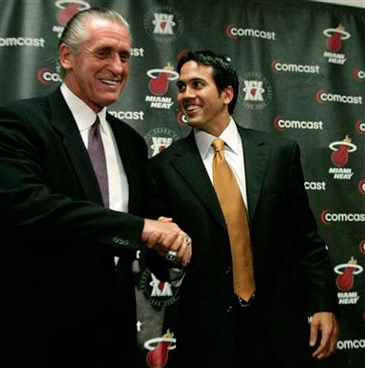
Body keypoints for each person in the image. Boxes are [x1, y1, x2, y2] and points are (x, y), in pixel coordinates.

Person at [0, 8, 190, 368]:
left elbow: (144, 228)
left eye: (125, 56)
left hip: (112, 342)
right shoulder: (17, 122)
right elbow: (28, 208)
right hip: (34, 340)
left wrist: (170, 248)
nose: (118, 68)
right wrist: (142, 228)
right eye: (103, 53)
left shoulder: (131, 142)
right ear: (66, 57)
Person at [145, 50, 339, 368]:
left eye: (197, 84)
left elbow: (307, 241)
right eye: (181, 87)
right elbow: (160, 264)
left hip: (280, 332)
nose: (186, 95)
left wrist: (323, 304)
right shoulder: (162, 169)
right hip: (207, 339)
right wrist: (169, 254)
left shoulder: (279, 154)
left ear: (227, 93)